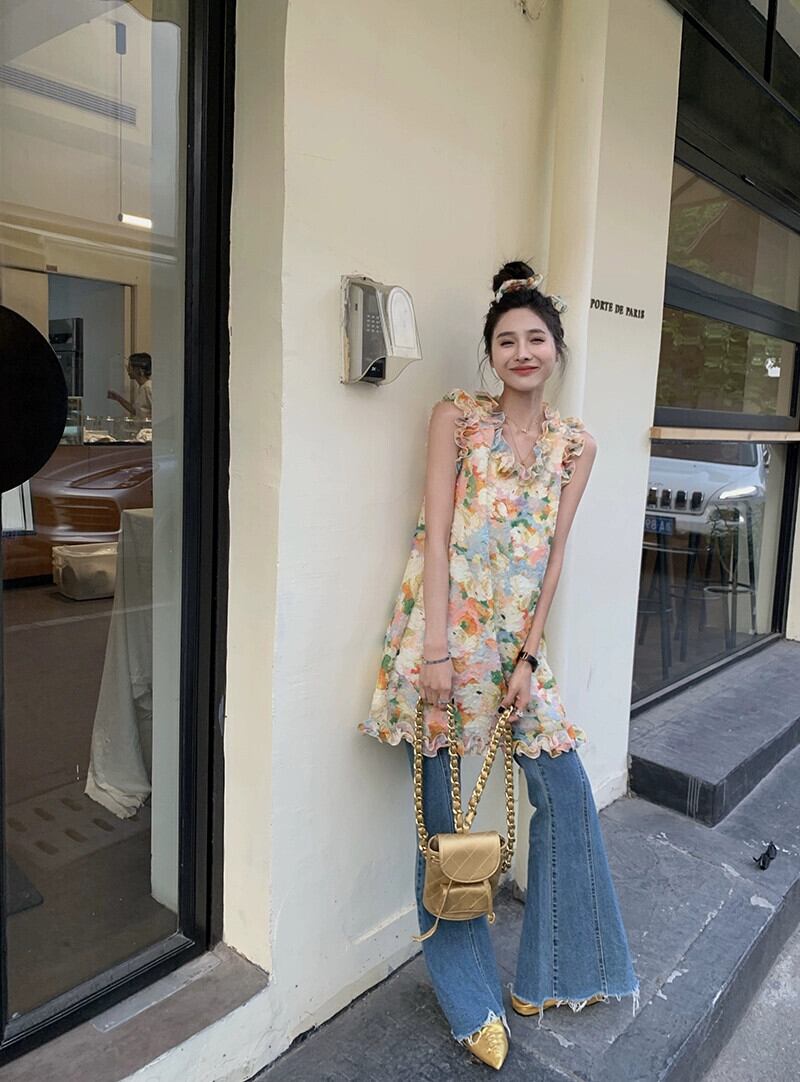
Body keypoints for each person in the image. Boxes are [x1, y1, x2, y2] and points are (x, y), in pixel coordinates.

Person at [360, 262, 639, 1070]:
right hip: (442, 644)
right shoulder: (457, 420)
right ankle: (470, 999)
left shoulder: (576, 445)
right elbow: (433, 534)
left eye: (535, 338)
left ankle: (553, 972)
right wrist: (435, 653)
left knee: (566, 793)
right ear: (491, 353)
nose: (522, 351)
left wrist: (529, 658)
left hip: (517, 654)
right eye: (507, 340)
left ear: (556, 350)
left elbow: (554, 557)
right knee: (442, 823)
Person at [108, 352, 152, 419]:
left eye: (130, 366)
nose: (128, 370)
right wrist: (118, 398)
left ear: (139, 369)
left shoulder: (148, 387)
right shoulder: (142, 387)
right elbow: (136, 411)